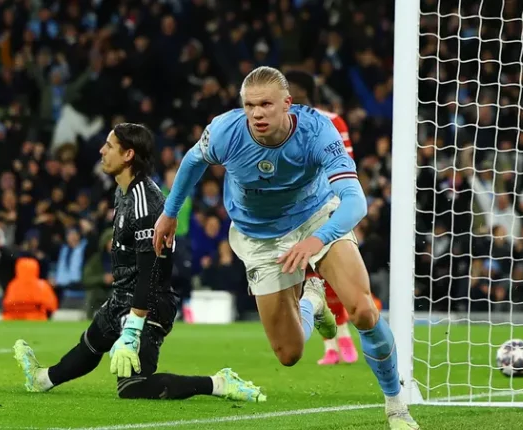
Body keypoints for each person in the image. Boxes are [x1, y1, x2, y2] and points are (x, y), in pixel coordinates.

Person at [154, 67, 418, 429]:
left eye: (266, 104)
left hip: (315, 218)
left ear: (287, 104)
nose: (257, 113)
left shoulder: (318, 131)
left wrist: (318, 239)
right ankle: (313, 302)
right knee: (289, 353)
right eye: (250, 105)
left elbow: (355, 201)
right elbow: (191, 162)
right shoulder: (225, 131)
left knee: (362, 310)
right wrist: (169, 213)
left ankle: (396, 406)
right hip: (259, 235)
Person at [12, 123, 265, 402]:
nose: (102, 150)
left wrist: (133, 327)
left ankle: (218, 383)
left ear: (128, 155)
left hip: (149, 304)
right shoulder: (124, 191)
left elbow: (150, 269)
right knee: (91, 344)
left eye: (109, 146)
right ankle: (42, 379)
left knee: (133, 387)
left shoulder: (144, 201)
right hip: (124, 297)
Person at [285, 70, 359, 366]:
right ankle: (330, 345)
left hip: (329, 206)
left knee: (332, 274)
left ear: (303, 90)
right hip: (294, 212)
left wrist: (343, 205)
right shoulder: (280, 124)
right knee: (306, 278)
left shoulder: (332, 120)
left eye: (290, 87)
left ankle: (344, 333)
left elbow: (346, 163)